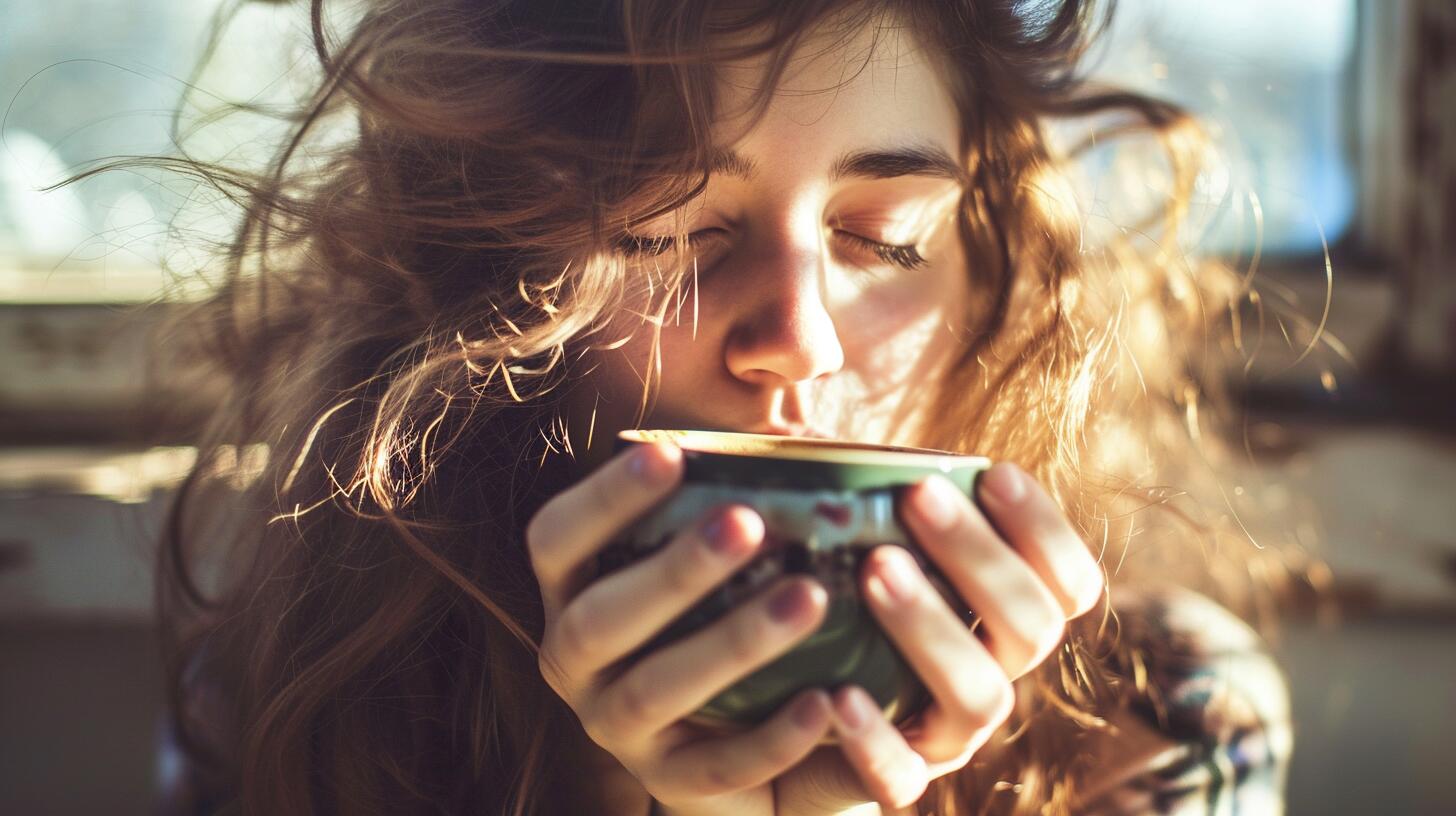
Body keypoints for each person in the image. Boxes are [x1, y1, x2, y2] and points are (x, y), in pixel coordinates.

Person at [136, 0, 1296, 813]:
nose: (797, 336)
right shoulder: (289, 711)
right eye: (659, 231)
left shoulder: (1159, 720)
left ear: (990, 273)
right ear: (471, 288)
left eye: (886, 240)